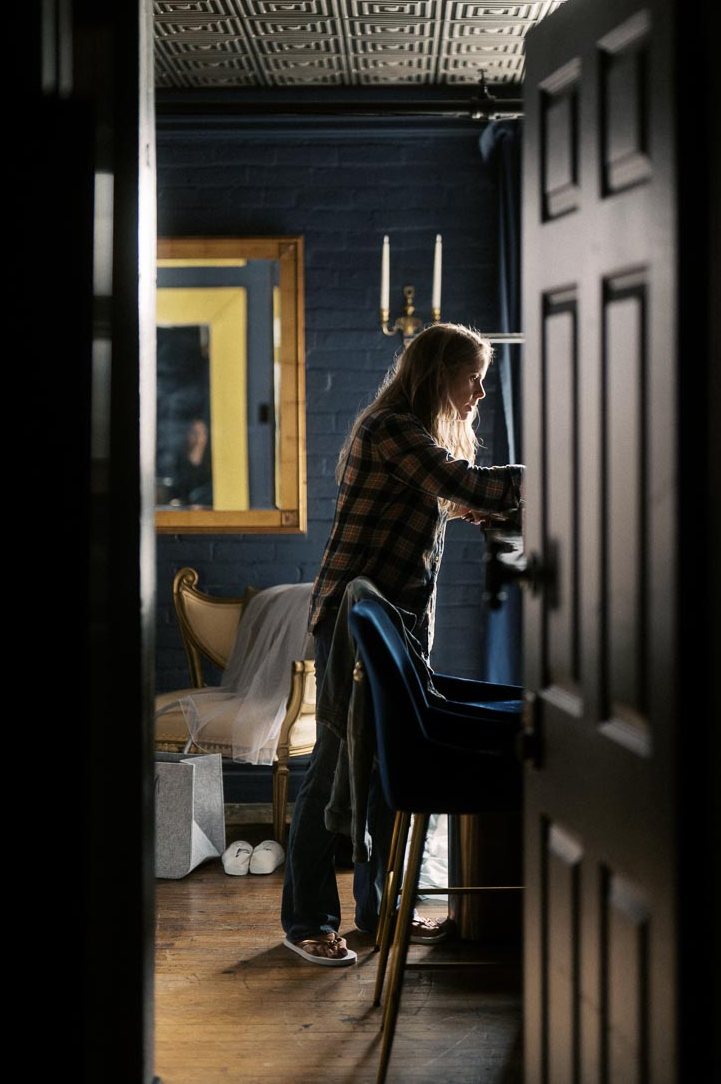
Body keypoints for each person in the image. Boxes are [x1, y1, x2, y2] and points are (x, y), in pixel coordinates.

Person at [281, 322, 524, 966]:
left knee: (388, 769)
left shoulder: (416, 436)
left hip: (398, 615)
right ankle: (306, 920)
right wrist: (557, 479)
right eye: (470, 376)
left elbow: (469, 502)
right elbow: (470, 488)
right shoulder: (394, 430)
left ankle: (381, 908)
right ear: (434, 372)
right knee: (335, 764)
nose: (477, 390)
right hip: (355, 616)